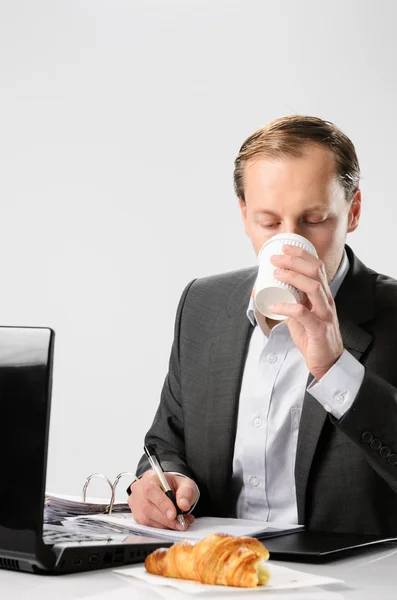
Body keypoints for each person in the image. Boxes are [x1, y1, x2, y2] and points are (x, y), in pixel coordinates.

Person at [127, 115, 397, 535]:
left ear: (354, 212)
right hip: (217, 575)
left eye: (313, 220)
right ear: (244, 214)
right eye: (269, 223)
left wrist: (334, 368)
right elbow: (165, 442)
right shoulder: (203, 304)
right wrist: (159, 482)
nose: (289, 241)